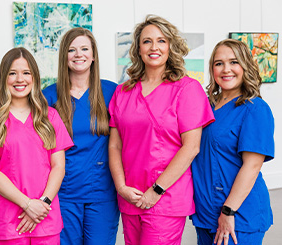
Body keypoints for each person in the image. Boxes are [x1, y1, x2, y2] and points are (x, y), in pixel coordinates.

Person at [108, 15, 215, 244]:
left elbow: (191, 147)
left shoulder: (187, 89)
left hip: (165, 198)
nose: (154, 47)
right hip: (131, 197)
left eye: (161, 40)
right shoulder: (123, 92)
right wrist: (121, 187)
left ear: (170, 46)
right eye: (147, 41)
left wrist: (156, 190)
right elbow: (115, 145)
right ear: (138, 49)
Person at [0, 47, 73, 244]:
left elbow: (58, 167)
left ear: (34, 77)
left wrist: (42, 205)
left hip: (45, 216)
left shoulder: (50, 117)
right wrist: (27, 205)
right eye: (12, 73)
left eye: (26, 73)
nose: (20, 79)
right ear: (4, 78)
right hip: (7, 221)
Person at [191, 39, 275, 245]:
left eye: (234, 62)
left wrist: (229, 211)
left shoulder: (254, 108)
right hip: (206, 211)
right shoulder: (206, 105)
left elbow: (252, 165)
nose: (226, 69)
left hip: (239, 215)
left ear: (246, 65)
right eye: (219, 63)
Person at [43, 27, 120, 244]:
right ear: (63, 56)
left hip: (102, 193)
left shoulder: (112, 92)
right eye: (72, 50)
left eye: (85, 48)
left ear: (93, 55)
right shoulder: (48, 96)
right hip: (64, 192)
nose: (79, 54)